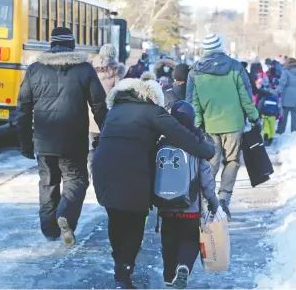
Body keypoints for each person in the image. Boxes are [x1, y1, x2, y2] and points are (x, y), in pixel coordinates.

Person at [92, 72, 215, 289]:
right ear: (152, 96)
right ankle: (123, 272)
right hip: (134, 174)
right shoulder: (152, 112)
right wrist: (206, 149)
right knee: (134, 223)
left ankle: (120, 264)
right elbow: (181, 135)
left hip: (104, 170)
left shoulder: (115, 111)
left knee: (116, 217)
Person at [16, 27, 108, 246]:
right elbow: (99, 106)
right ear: (72, 45)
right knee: (76, 180)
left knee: (47, 183)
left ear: (51, 44)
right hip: (73, 141)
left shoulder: (35, 69)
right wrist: (106, 133)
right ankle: (65, 216)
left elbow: (23, 109)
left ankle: (49, 230)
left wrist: (25, 143)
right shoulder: (84, 69)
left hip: (44, 140)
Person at [186, 33, 260, 219]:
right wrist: (253, 117)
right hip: (234, 123)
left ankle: (206, 200)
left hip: (209, 125)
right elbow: (245, 95)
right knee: (232, 161)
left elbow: (192, 102)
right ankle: (224, 198)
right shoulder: (235, 66)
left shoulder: (195, 71)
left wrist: (195, 124)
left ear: (205, 49)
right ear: (220, 47)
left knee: (210, 162)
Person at [158, 101, 219, 289]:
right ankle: (184, 265)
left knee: (168, 242)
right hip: (190, 205)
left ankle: (169, 278)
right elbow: (206, 176)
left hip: (166, 204)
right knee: (190, 239)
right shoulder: (196, 143)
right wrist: (212, 199)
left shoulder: (162, 142)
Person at [88, 44, 126, 181]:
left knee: (92, 145)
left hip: (91, 112)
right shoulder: (116, 71)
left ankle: (90, 170)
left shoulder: (91, 68)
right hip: (109, 113)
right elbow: (118, 93)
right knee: (106, 144)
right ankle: (104, 173)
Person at [274, 57, 296, 134]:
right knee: (294, 114)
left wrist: (277, 92)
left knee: (283, 114)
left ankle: (281, 130)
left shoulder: (286, 72)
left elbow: (282, 84)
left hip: (287, 97)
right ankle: (294, 131)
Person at [257, 78, 280, 146]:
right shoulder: (275, 98)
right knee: (272, 126)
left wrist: (259, 114)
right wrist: (278, 115)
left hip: (265, 114)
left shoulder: (264, 98)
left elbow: (260, 106)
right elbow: (278, 107)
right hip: (273, 115)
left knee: (266, 126)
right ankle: (270, 138)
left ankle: (266, 136)